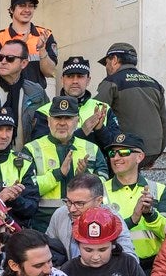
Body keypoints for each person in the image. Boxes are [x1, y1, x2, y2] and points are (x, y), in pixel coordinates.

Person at [22, 94, 106, 224]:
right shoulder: (31, 149)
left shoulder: (92, 148)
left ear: (77, 121)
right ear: (49, 121)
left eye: (68, 118)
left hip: (85, 221)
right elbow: (27, 188)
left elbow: (103, 188)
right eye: (57, 118)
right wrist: (58, 174)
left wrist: (86, 177)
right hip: (44, 222)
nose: (62, 123)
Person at [99, 132, 166, 271]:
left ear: (140, 157)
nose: (116, 157)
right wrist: (133, 219)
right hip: (114, 264)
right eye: (112, 153)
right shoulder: (100, 190)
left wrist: (151, 215)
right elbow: (100, 233)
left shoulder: (158, 189)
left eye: (124, 152)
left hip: (152, 267)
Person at [95, 42, 166, 162]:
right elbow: (164, 123)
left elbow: (95, 116)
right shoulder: (155, 83)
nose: (107, 67)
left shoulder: (111, 82)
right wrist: (156, 154)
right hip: (151, 151)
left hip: (124, 151)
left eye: (107, 63)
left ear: (114, 60)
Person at [45, 173, 136, 267]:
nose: (72, 209)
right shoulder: (60, 215)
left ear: (99, 201)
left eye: (80, 203)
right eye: (68, 202)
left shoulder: (112, 218)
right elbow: (49, 250)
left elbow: (130, 261)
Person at [0, 0, 56, 90]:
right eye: (22, 5)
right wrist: (18, 47)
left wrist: (41, 49)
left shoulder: (45, 35)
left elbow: (49, 72)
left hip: (36, 96)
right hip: (7, 93)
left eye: (31, 6)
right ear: (11, 9)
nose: (27, 10)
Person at [0, 37, 49, 132]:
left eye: (10, 58)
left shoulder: (36, 92)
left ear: (24, 63)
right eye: (0, 57)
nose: (3, 62)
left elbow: (45, 126)